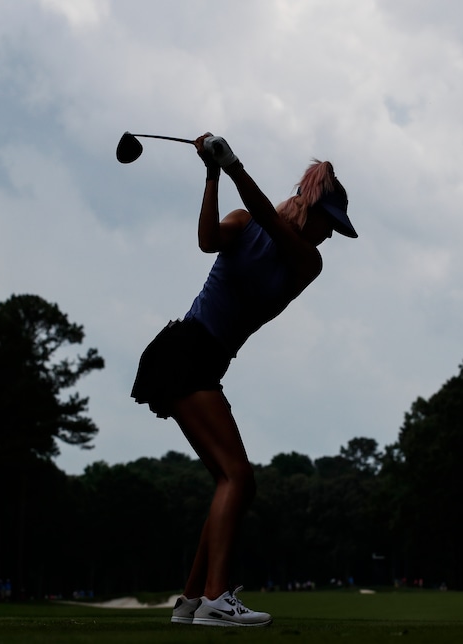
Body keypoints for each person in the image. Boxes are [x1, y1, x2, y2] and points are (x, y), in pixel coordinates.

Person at [131, 133, 357, 627]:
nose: (330, 235)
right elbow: (207, 240)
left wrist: (231, 166)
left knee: (229, 481)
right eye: (329, 223)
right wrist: (215, 173)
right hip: (185, 350)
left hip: (202, 361)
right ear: (310, 209)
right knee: (240, 477)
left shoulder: (306, 262)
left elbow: (274, 225)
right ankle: (214, 599)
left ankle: (192, 601)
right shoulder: (243, 222)